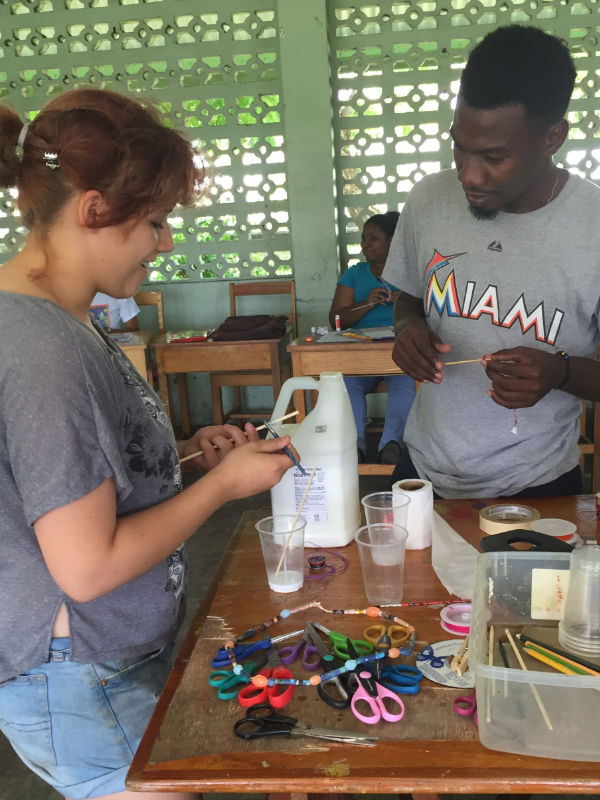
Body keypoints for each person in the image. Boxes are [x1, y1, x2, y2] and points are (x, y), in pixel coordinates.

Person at [0, 88, 294, 800]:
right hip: (82, 674)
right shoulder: (41, 347)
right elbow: (88, 565)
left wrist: (188, 457)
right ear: (94, 208)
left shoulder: (65, 319)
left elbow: (63, 481)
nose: (164, 243)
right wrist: (220, 489)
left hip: (104, 661)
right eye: (156, 221)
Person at [383, 24, 600, 499]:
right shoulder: (427, 201)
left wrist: (559, 372)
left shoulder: (594, 226)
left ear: (553, 137)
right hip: (421, 471)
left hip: (538, 485)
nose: (468, 174)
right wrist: (407, 331)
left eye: (493, 156)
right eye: (459, 145)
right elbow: (408, 301)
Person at [328, 212, 416, 463]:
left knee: (405, 383)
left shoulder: (410, 274)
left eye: (373, 239)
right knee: (347, 385)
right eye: (364, 239)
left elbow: (431, 314)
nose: (365, 244)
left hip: (398, 352)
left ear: (393, 242)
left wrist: (407, 302)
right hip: (360, 352)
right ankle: (354, 445)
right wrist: (366, 304)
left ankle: (391, 443)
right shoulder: (355, 275)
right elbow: (336, 320)